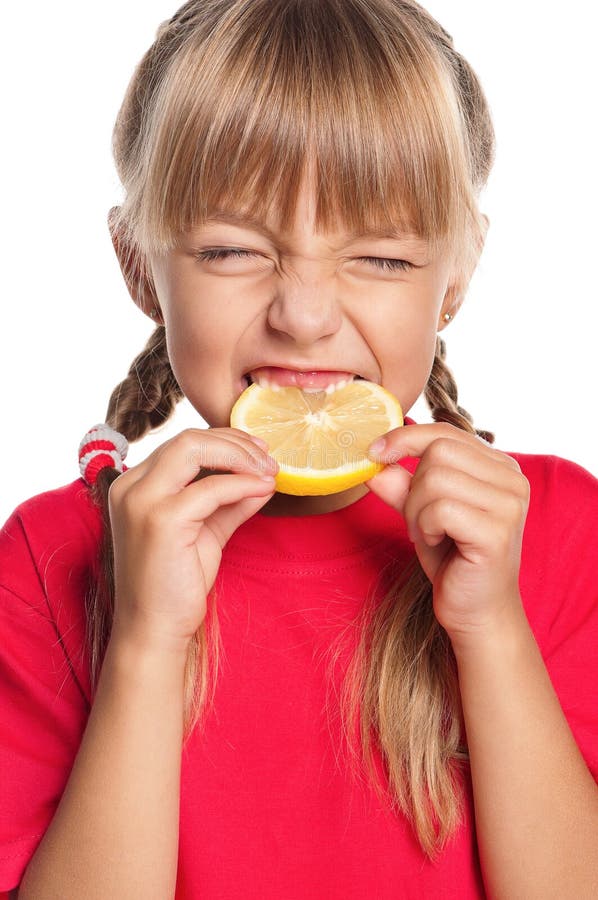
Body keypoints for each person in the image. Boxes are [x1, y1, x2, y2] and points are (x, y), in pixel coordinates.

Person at [1, 1, 597, 897]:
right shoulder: (50, 562)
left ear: (458, 275)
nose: (305, 316)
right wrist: (147, 644)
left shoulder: (557, 531)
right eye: (232, 250)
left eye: (385, 259)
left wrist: (491, 630)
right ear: (137, 264)